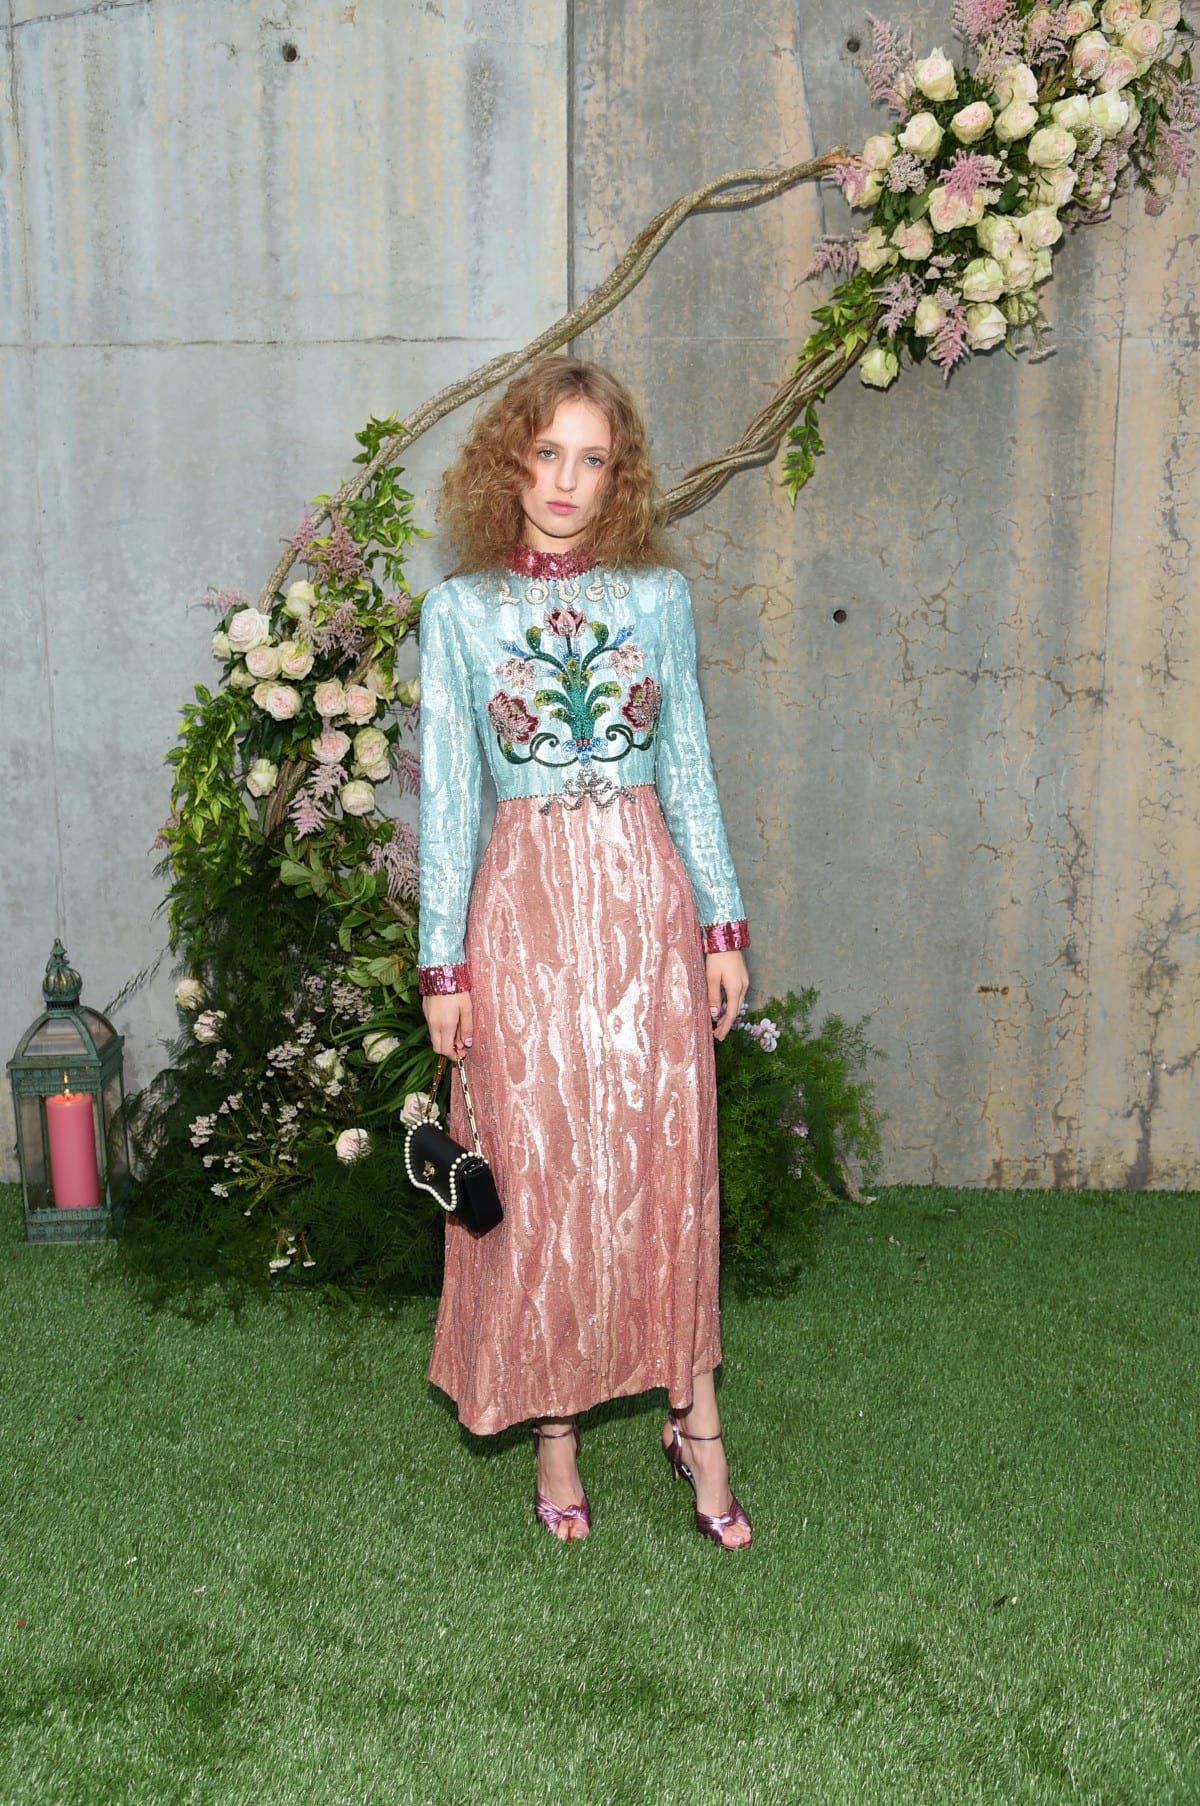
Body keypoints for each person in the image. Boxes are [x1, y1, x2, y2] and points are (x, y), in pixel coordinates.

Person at [417, 356, 752, 1548]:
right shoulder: (458, 613)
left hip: (645, 907)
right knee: (543, 1162)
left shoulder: (658, 600)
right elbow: (448, 801)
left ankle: (694, 1416)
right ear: (509, 462)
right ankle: (553, 1429)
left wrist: (721, 927)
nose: (565, 479)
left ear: (620, 477)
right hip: (522, 920)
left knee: (667, 1158)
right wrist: (443, 968)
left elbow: (691, 766)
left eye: (591, 458)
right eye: (546, 452)